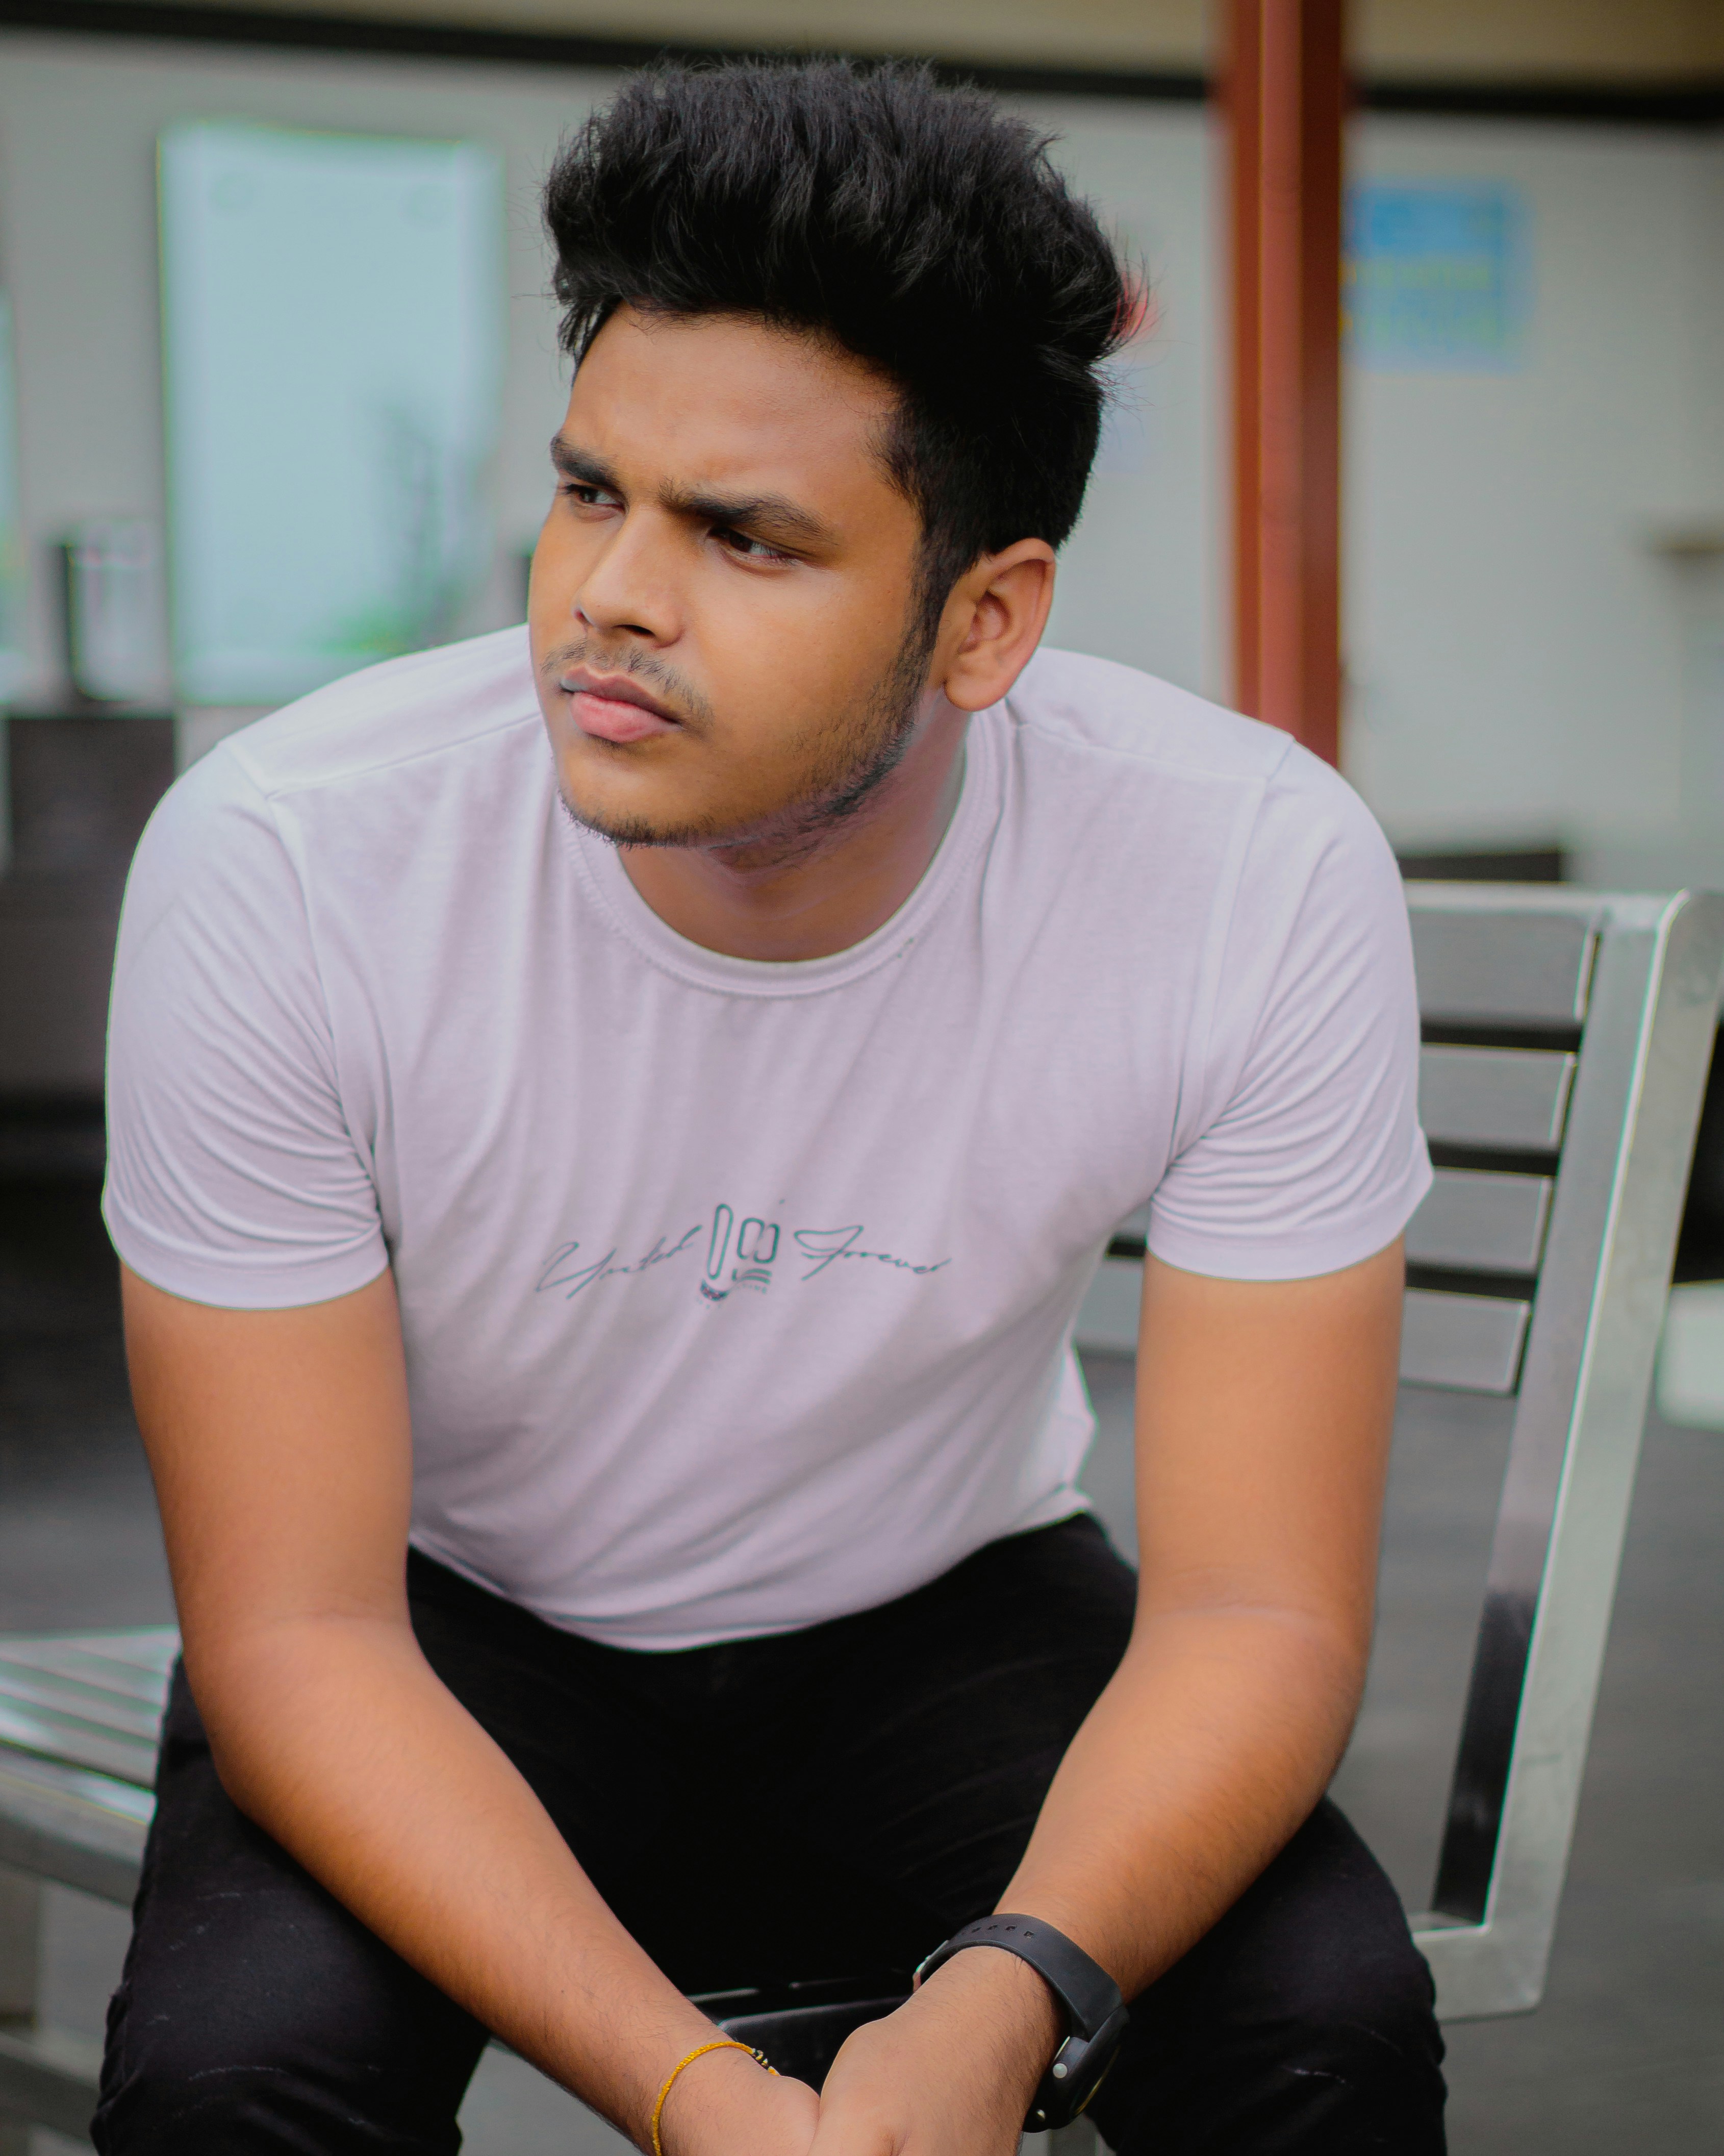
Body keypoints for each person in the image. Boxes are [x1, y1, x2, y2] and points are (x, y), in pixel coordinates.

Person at [95, 58, 1445, 2156]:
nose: (609, 596)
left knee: (1319, 2035)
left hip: (943, 1602)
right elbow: (296, 1631)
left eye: (744, 534)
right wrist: (701, 2096)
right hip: (448, 1620)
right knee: (235, 2083)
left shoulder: (1241, 867)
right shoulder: (289, 857)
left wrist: (1015, 1993)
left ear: (982, 617)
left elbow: (1256, 1608)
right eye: (588, 491)